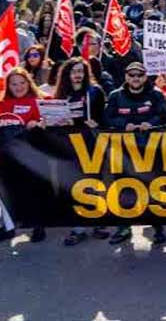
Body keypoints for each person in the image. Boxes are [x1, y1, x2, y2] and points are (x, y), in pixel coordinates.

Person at [103, 62, 166, 245]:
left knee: (153, 188)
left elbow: (164, 114)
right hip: (123, 152)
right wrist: (124, 125)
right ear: (126, 77)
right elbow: (107, 118)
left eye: (139, 75)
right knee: (124, 190)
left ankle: (158, 228)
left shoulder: (155, 94)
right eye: (131, 75)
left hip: (150, 150)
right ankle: (124, 228)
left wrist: (151, 123)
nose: (135, 78)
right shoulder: (115, 96)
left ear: (145, 77)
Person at [54, 58, 110, 246]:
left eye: (81, 71)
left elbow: (105, 119)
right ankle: (78, 228)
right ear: (67, 74)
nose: (77, 75)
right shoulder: (61, 94)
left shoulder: (95, 92)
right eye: (74, 71)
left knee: (94, 183)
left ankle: (98, 223)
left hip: (91, 144)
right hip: (69, 146)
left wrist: (97, 124)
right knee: (74, 185)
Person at [0, 67, 47, 243]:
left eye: (22, 83)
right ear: (8, 86)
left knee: (32, 191)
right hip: (5, 156)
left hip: (30, 155)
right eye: (14, 84)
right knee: (6, 193)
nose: (18, 87)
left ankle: (38, 226)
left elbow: (52, 120)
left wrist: (40, 123)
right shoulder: (2, 104)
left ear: (29, 83)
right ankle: (9, 228)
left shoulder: (39, 101)